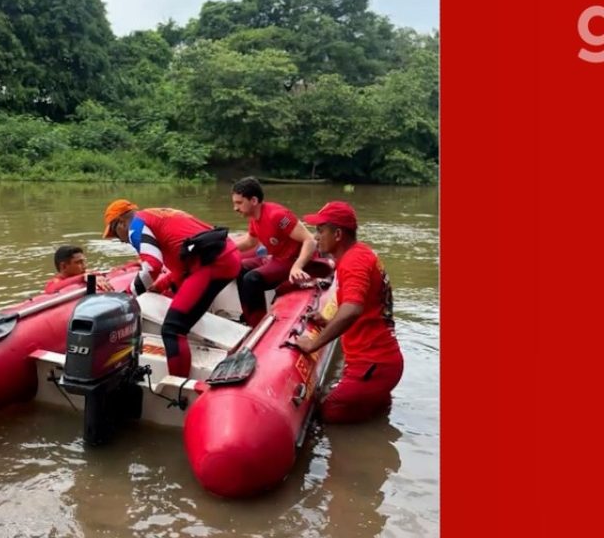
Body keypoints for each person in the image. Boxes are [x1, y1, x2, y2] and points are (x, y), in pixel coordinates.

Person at [103, 199, 241, 377]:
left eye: (115, 234)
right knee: (182, 310)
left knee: (172, 329)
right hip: (225, 257)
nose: (120, 241)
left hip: (213, 264)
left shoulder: (135, 226)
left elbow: (152, 265)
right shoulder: (158, 214)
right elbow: (180, 262)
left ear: (121, 222)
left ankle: (177, 385)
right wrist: (161, 285)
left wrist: (128, 296)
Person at [294, 201, 403, 424]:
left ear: (337, 234)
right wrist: (327, 320)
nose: (316, 237)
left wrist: (312, 344)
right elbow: (367, 307)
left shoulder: (353, 262)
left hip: (372, 365)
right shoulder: (360, 254)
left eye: (320, 230)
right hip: (380, 363)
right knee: (373, 422)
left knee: (326, 415)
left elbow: (352, 309)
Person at [230, 177, 318, 327]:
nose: (235, 208)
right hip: (277, 258)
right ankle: (248, 316)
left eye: (239, 203)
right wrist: (225, 248)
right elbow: (250, 242)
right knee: (240, 267)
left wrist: (297, 266)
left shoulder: (277, 215)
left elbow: (310, 240)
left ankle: (257, 325)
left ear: (253, 201)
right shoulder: (254, 217)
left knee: (252, 279)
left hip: (294, 260)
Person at [43, 245, 114, 294]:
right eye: (79, 262)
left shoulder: (87, 273)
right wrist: (82, 277)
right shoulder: (54, 282)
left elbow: (97, 274)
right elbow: (50, 289)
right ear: (64, 266)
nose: (85, 265)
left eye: (83, 261)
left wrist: (95, 276)